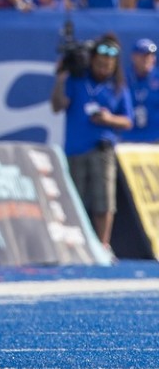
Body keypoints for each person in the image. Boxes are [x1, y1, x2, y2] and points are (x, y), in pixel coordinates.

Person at [51, 33, 133, 249]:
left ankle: (103, 244)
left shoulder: (117, 87)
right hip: (75, 149)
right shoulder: (77, 80)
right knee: (74, 199)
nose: (104, 68)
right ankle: (76, 245)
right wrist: (60, 78)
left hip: (102, 149)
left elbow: (127, 120)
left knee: (104, 200)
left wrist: (109, 119)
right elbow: (57, 106)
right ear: (92, 61)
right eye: (100, 64)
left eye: (109, 65)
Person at [124, 37, 159, 141]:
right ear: (133, 57)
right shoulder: (123, 78)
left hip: (155, 138)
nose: (146, 59)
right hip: (126, 138)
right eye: (142, 55)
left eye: (150, 55)